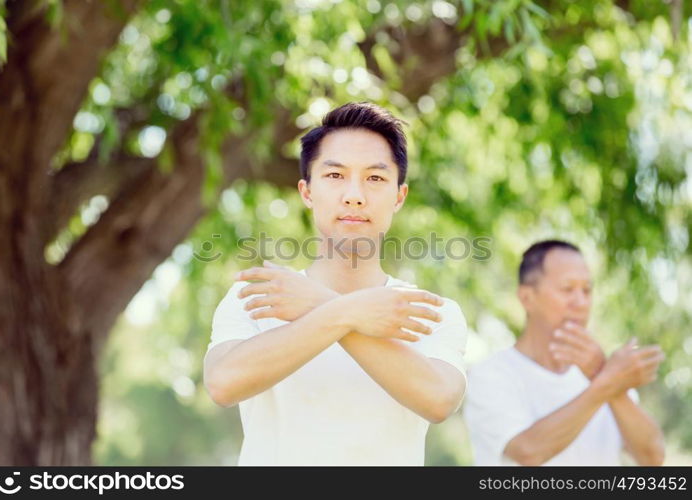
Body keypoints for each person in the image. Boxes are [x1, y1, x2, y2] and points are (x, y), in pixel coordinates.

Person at [203, 102, 469, 465]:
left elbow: (439, 400)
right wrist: (347, 312)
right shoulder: (259, 296)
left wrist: (319, 305)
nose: (354, 195)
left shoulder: (431, 312)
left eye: (375, 178)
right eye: (335, 176)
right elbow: (223, 383)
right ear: (307, 192)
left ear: (399, 197)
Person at [464, 240, 666, 465]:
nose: (581, 302)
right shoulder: (491, 374)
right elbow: (528, 452)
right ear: (527, 298)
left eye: (587, 291)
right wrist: (605, 384)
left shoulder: (606, 374)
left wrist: (612, 386)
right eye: (567, 289)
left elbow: (653, 458)